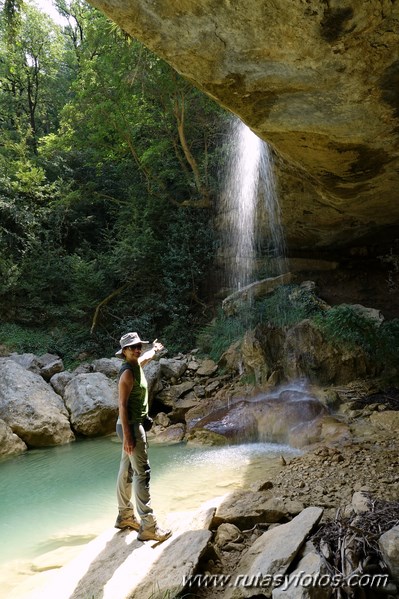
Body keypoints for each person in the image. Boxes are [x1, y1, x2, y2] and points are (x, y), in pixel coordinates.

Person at [114, 331, 172, 542]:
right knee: (142, 473)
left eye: (139, 346)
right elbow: (121, 405)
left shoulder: (137, 364)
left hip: (128, 426)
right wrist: (130, 436)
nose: (137, 349)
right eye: (133, 347)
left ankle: (125, 516)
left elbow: (145, 358)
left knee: (127, 469)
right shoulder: (128, 373)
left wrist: (154, 350)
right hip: (130, 425)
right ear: (124, 352)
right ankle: (148, 526)